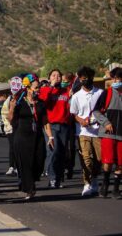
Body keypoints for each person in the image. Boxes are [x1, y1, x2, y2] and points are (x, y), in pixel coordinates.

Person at [9, 74, 53, 200]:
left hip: (37, 136)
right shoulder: (19, 102)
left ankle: (27, 182)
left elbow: (45, 121)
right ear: (28, 88)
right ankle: (30, 189)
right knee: (26, 163)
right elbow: (11, 120)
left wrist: (50, 137)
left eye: (39, 87)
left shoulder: (41, 103)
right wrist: (12, 108)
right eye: (36, 87)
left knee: (39, 161)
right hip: (22, 137)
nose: (38, 90)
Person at [69, 66, 103, 196]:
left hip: (98, 132)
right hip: (83, 132)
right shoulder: (77, 96)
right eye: (83, 79)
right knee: (87, 159)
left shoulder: (99, 93)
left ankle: (94, 179)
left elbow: (103, 110)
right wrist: (81, 120)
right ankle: (87, 183)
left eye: (87, 78)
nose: (85, 81)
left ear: (92, 78)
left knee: (99, 159)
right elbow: (74, 113)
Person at [93, 66, 122, 199]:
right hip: (108, 133)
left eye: (118, 78)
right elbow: (96, 111)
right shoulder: (107, 93)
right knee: (108, 161)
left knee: (120, 162)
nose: (116, 80)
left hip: (121, 134)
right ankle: (104, 185)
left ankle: (116, 188)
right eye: (114, 78)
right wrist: (106, 123)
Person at [39, 69, 70, 188]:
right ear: (49, 77)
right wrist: (51, 86)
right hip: (51, 126)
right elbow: (42, 102)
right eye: (53, 75)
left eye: (59, 75)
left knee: (62, 153)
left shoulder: (66, 91)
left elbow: (69, 107)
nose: (56, 77)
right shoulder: (46, 90)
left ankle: (57, 179)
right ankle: (51, 178)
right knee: (53, 152)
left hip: (64, 125)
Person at [1, 85, 18, 176]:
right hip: (10, 128)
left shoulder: (22, 99)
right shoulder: (8, 101)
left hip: (19, 128)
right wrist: (9, 126)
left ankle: (19, 167)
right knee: (12, 147)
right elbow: (4, 114)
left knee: (19, 148)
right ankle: (11, 167)